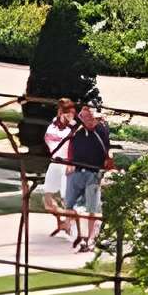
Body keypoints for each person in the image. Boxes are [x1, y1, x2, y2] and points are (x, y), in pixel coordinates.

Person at [63, 103, 115, 252]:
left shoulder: (101, 129)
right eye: (85, 116)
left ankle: (90, 239)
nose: (88, 120)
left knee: (93, 208)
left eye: (91, 117)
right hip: (76, 171)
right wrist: (69, 164)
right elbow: (70, 145)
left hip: (94, 173)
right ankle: (78, 235)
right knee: (69, 205)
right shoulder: (77, 130)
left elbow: (106, 149)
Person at [40, 98, 80, 242]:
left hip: (67, 165)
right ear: (60, 112)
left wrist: (72, 163)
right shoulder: (52, 125)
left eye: (72, 113)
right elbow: (50, 142)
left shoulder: (74, 128)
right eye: (67, 113)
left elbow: (75, 148)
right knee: (47, 201)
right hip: (55, 163)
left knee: (66, 199)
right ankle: (64, 222)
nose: (70, 116)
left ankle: (71, 224)